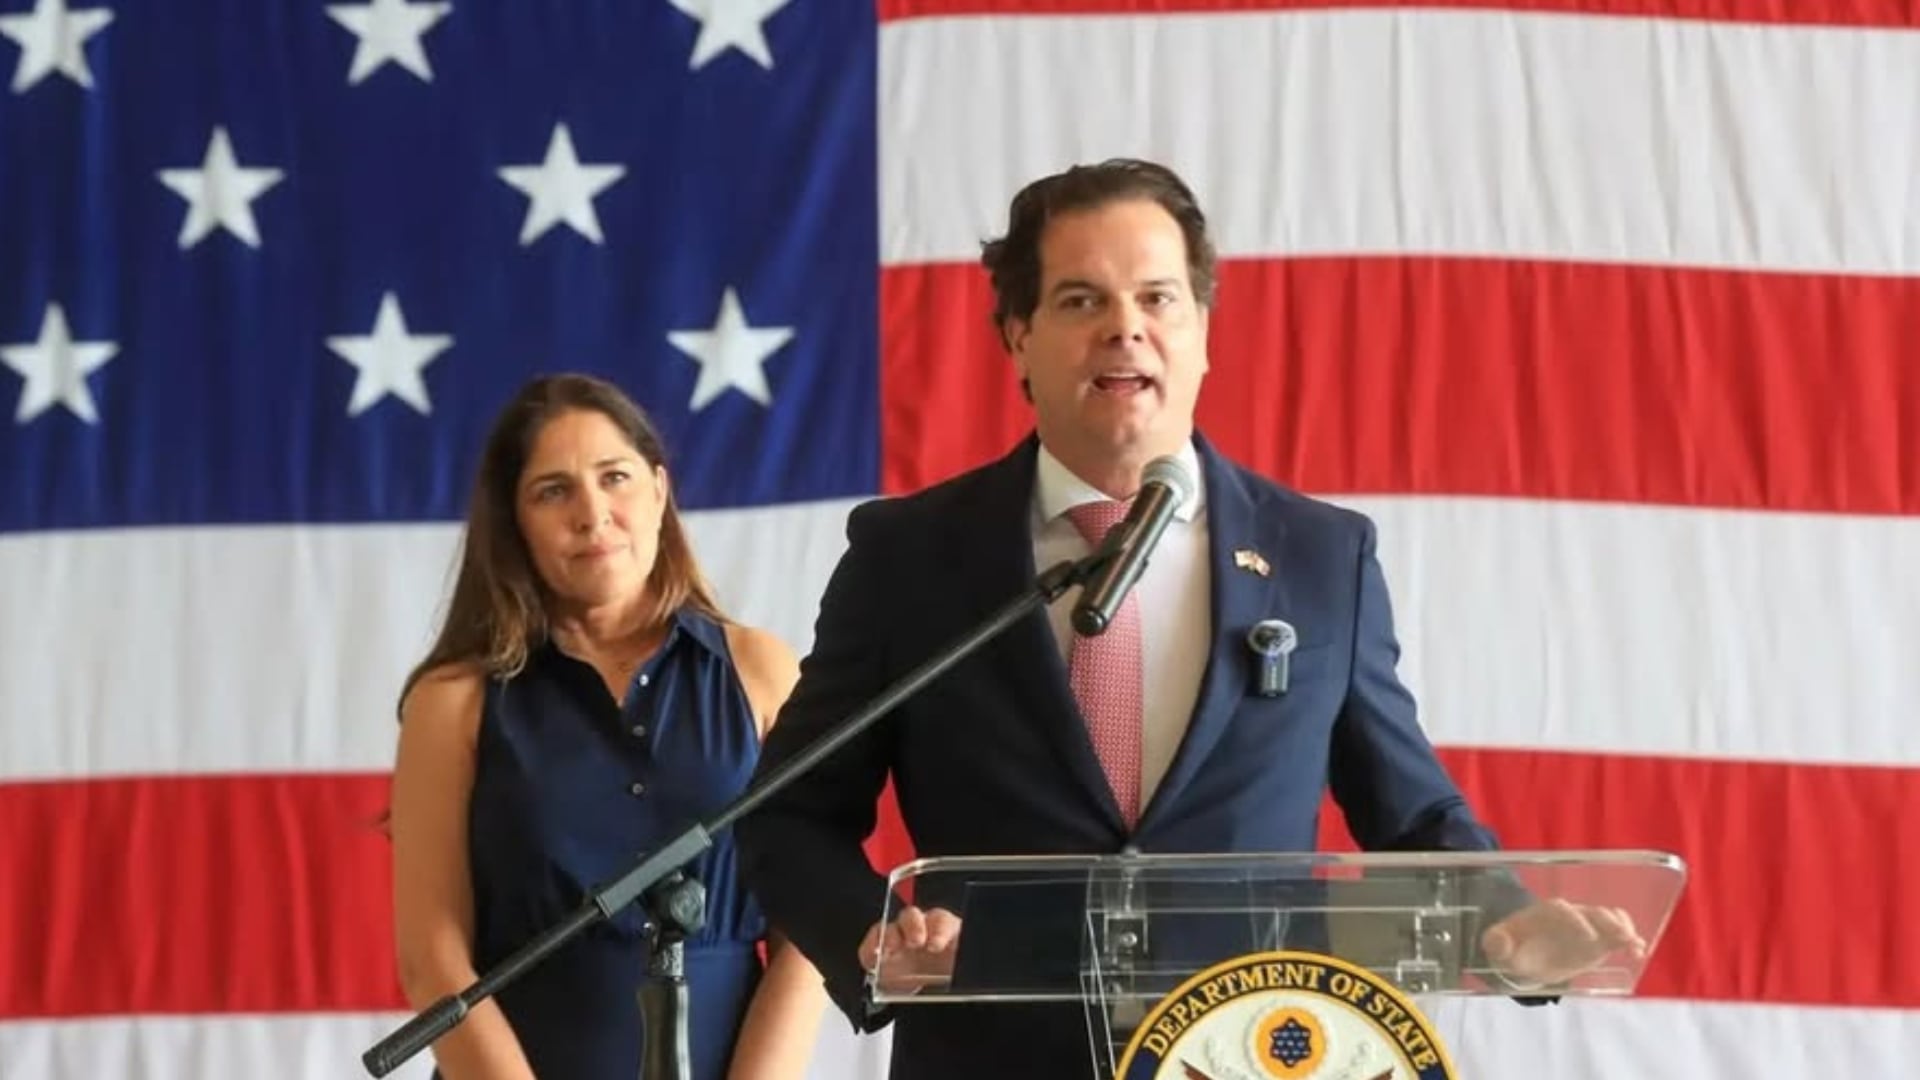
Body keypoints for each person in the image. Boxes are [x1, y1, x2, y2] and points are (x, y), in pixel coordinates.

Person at [734, 160, 1644, 1078]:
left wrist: (1507, 922)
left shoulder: (1321, 557)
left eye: (1158, 298)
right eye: (1082, 300)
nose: (1124, 327)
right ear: (1018, 337)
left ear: (1202, 330)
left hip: (1252, 1053)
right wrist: (872, 937)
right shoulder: (910, 556)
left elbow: (1410, 813)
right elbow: (790, 813)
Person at [386, 373, 828, 1080]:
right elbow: (432, 959)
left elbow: (808, 934)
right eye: (552, 491)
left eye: (614, 477)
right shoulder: (454, 701)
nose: (592, 514)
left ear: (658, 490)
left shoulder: (762, 671)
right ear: (515, 522)